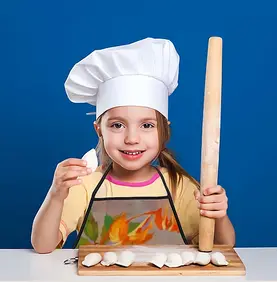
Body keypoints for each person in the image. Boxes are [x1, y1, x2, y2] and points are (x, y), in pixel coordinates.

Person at [31, 38, 235, 254]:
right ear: (99, 129)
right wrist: (56, 194)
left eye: (147, 125)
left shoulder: (180, 186)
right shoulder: (85, 186)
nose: (131, 138)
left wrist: (218, 214)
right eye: (117, 125)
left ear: (164, 130)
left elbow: (223, 247)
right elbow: (43, 246)